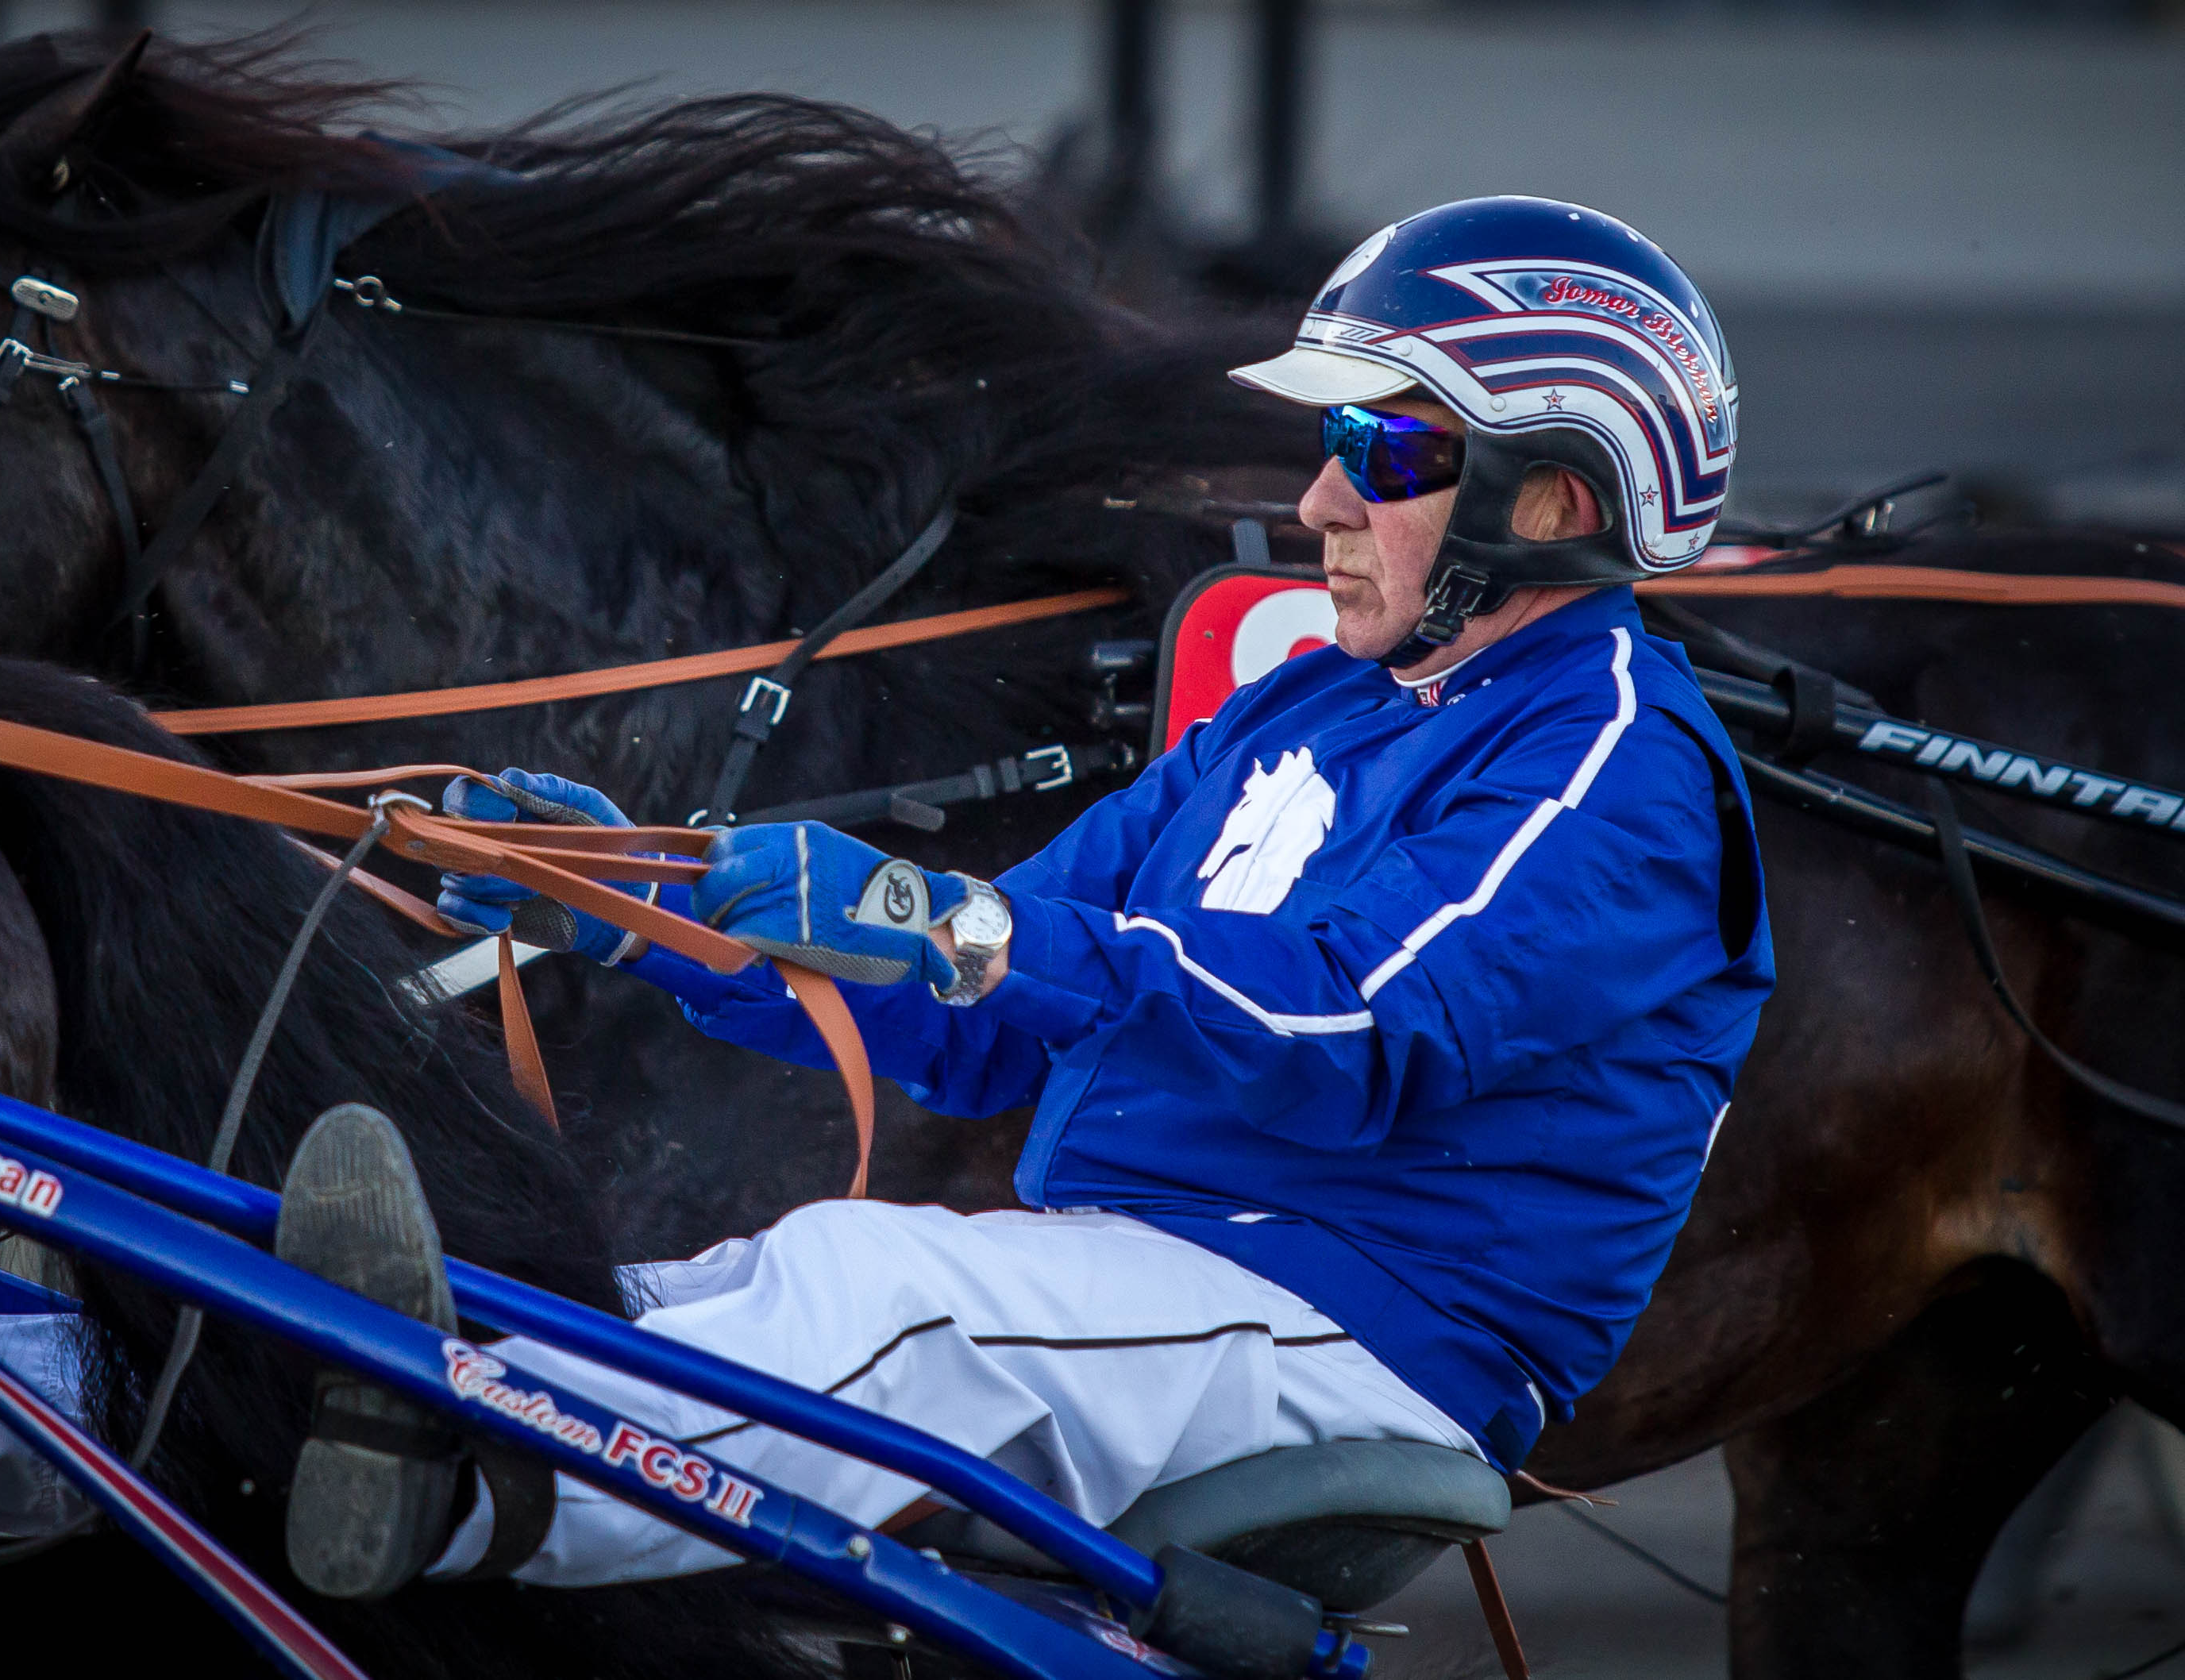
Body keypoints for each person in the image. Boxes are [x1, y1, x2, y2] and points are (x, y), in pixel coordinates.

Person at [273, 194, 1776, 1600]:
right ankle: (264, 1407)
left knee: (884, 1292)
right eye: (1333, 438)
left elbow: (1348, 1030)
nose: (1319, 496)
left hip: (1362, 1328)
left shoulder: (1615, 763)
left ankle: (463, 1492)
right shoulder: (1302, 708)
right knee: (686, 1293)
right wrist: (655, 917)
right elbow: (985, 1014)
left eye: (1383, 450)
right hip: (1160, 1279)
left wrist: (946, 922)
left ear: (1552, 497)